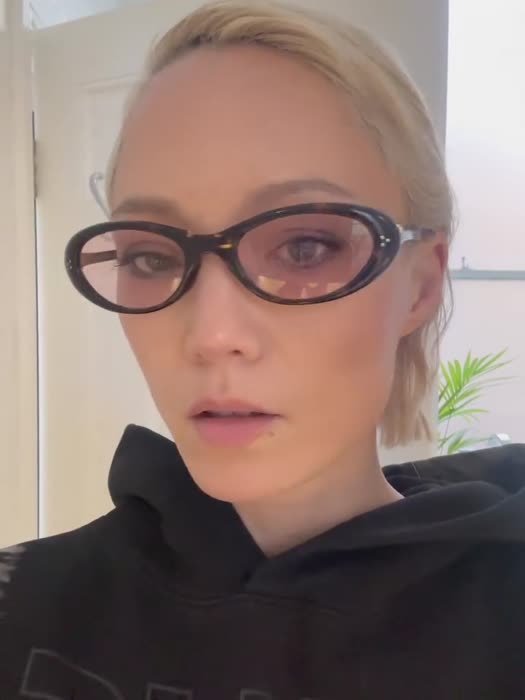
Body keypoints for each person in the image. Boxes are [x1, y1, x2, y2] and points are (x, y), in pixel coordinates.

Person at [1, 1, 524, 697]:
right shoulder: (23, 603)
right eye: (151, 256)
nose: (212, 335)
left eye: (305, 247)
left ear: (421, 285)